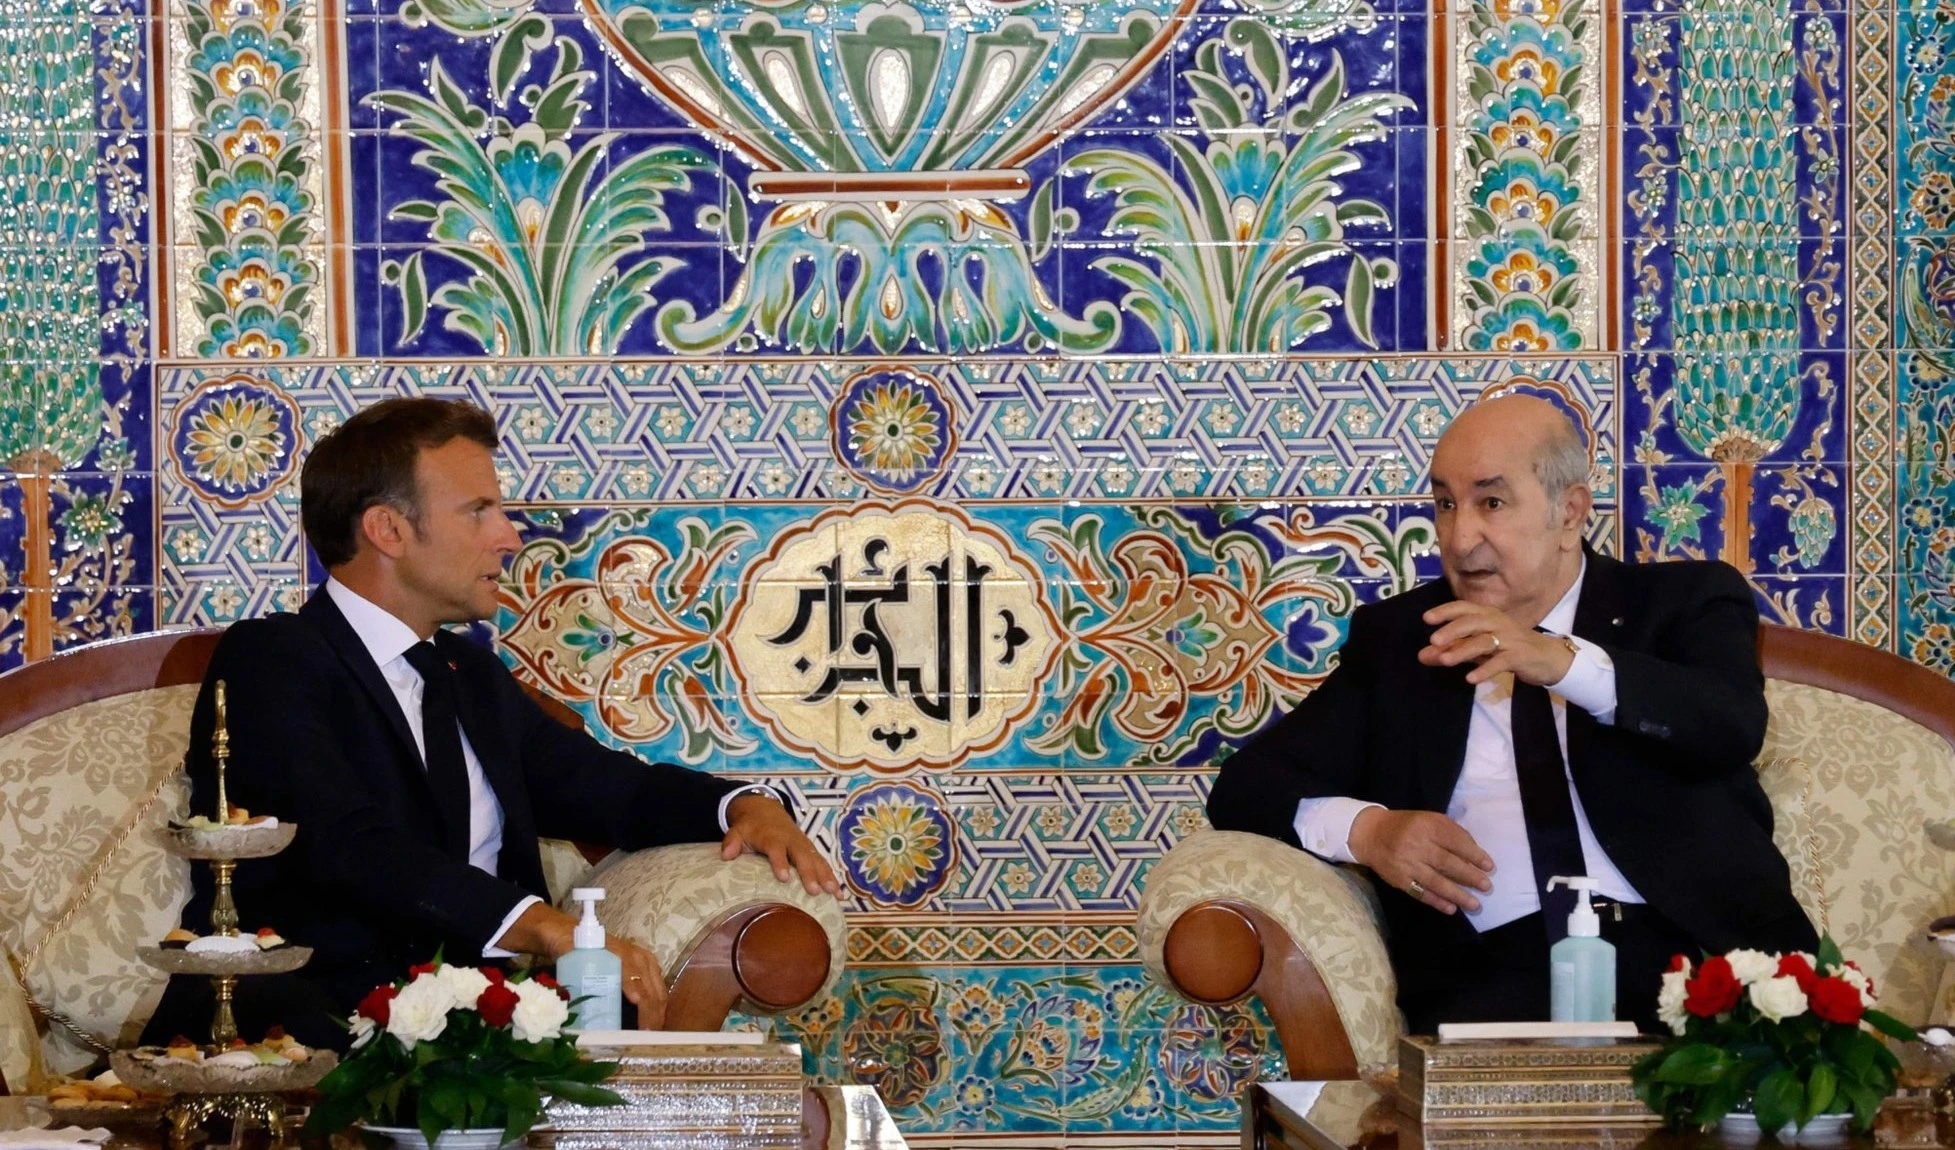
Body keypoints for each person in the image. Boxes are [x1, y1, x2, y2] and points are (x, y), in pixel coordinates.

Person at [142, 397, 839, 1049]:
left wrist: (742, 804)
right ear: (386, 529)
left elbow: (609, 789)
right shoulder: (274, 658)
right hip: (311, 1026)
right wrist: (548, 930)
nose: (509, 537)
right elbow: (343, 841)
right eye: (480, 511)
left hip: (490, 1026)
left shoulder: (469, 677)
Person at [1207, 393, 1816, 1034]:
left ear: (1570, 513)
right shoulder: (1405, 641)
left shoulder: (1680, 601)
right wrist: (1370, 832)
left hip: (1699, 959)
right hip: (1495, 976)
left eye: (1491, 503)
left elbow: (1728, 724)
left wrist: (1559, 662)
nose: (1460, 537)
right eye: (1445, 504)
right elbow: (1247, 787)